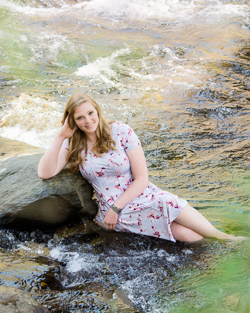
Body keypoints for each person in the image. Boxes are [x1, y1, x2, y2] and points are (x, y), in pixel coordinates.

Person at [38, 92, 245, 243]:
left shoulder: (121, 131)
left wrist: (117, 207)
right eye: (79, 118)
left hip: (138, 195)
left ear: (97, 110)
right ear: (71, 121)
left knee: (172, 210)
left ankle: (224, 239)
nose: (87, 120)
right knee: (183, 232)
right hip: (113, 212)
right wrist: (60, 136)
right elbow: (45, 172)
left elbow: (142, 179)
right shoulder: (74, 143)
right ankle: (223, 245)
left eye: (90, 113)